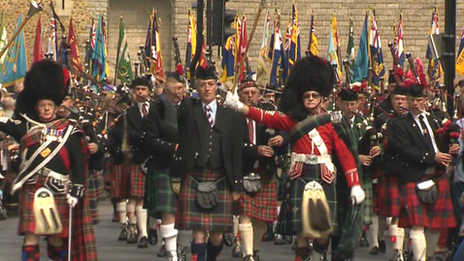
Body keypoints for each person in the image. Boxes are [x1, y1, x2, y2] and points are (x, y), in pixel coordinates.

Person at [223, 55, 365, 261]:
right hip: (301, 174)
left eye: (314, 95)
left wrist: (354, 184)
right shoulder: (291, 119)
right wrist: (237, 106)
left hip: (325, 175)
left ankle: (316, 256)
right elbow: (264, 116)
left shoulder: (332, 121)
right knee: (302, 229)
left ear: (322, 97)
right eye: (306, 95)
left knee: (324, 230)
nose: (309, 99)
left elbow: (345, 156)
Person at [0, 60, 97, 261]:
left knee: (56, 240)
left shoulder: (70, 130)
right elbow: (4, 123)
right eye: (42, 105)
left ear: (56, 106)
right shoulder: (25, 127)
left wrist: (78, 185)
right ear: (36, 106)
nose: (46, 109)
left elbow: (78, 161)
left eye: (50, 105)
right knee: (31, 238)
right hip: (32, 187)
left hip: (59, 188)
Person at [173, 66, 243, 261]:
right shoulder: (189, 111)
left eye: (210, 84)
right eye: (202, 85)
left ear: (216, 87)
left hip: (221, 177)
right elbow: (181, 111)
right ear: (196, 87)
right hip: (195, 175)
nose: (206, 89)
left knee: (217, 235)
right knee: (198, 232)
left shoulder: (230, 116)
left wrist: (237, 184)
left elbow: (236, 152)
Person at [389, 84, 458, 261]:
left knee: (436, 225)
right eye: (411, 100)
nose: (414, 104)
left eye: (418, 100)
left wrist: (452, 148)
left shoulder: (435, 120)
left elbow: (442, 144)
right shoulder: (399, 124)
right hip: (415, 175)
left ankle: (427, 257)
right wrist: (432, 157)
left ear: (425, 101)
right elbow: (405, 150)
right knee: (417, 225)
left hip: (437, 176)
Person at [144, 71, 187, 261]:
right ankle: (172, 254)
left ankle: (183, 249)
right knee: (168, 211)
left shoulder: (191, 107)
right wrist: (174, 147)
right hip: (164, 164)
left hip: (187, 165)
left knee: (186, 212)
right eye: (175, 89)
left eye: (181, 88)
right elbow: (152, 140)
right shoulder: (156, 109)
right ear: (166, 89)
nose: (178, 92)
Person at [237, 79, 279, 261]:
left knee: (261, 220)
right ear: (239, 96)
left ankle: (253, 250)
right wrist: (256, 150)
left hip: (264, 171)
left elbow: (283, 132)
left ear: (259, 95)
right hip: (242, 169)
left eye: (253, 92)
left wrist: (280, 144)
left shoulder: (266, 116)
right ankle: (247, 255)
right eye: (246, 93)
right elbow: (232, 145)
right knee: (245, 214)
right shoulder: (233, 116)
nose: (250, 96)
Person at [119, 76, 155, 248]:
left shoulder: (156, 109)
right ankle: (142, 233)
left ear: (149, 91)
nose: (140, 92)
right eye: (137, 90)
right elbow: (132, 134)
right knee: (138, 196)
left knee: (151, 197)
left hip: (155, 157)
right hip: (138, 157)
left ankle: (152, 230)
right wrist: (148, 137)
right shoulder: (130, 113)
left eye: (143, 89)